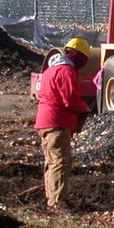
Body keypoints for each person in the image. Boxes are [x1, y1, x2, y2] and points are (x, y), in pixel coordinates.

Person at [34, 37, 91, 212]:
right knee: (60, 162)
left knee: (51, 162)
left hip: (44, 121)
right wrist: (85, 108)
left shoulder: (50, 70)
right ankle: (58, 203)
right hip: (57, 122)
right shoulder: (66, 71)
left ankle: (51, 199)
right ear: (77, 56)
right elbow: (70, 99)